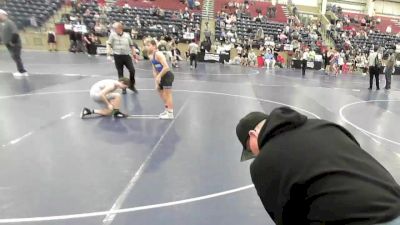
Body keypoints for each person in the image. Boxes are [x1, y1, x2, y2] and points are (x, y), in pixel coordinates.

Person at [236, 107, 400, 225]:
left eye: (251, 150)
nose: (255, 155)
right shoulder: (325, 126)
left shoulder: (263, 162)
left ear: (253, 135)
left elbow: (285, 218)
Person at [144, 38, 175, 120]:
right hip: (161, 76)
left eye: (148, 45)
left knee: (167, 94)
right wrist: (156, 82)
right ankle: (167, 109)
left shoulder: (158, 54)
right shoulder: (150, 55)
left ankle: (170, 113)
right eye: (146, 45)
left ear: (154, 46)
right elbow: (154, 69)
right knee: (161, 93)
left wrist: (159, 76)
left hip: (167, 75)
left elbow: (166, 67)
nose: (146, 47)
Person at [107, 22, 138, 94]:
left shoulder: (127, 35)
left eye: (115, 28)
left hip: (126, 56)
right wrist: (108, 54)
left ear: (120, 28)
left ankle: (132, 85)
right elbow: (109, 45)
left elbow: (132, 46)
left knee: (132, 70)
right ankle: (123, 88)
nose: (114, 30)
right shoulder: (112, 35)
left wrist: (135, 57)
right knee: (120, 72)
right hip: (117, 56)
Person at [0, 9, 28, 76]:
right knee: (14, 57)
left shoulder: (9, 22)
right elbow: (2, 34)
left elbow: (15, 33)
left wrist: (12, 42)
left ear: (4, 15)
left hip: (14, 44)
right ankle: (21, 70)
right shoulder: (1, 24)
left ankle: (22, 71)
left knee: (16, 56)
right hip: (7, 44)